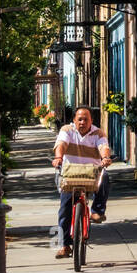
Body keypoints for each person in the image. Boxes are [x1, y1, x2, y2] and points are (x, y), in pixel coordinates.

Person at [51, 106, 112, 258]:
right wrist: (58, 157)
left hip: (91, 174)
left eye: (86, 119)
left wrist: (105, 158)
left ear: (91, 120)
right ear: (74, 120)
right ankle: (65, 245)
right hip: (70, 174)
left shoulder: (98, 133)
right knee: (65, 209)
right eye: (80, 119)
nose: (83, 122)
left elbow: (103, 147)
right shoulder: (67, 130)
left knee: (105, 177)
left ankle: (97, 211)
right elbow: (61, 145)